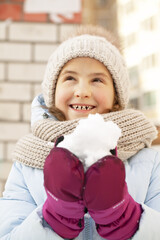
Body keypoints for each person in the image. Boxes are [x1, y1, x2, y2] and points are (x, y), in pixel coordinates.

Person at [0, 25, 160, 240]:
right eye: (70, 78)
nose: (82, 91)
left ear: (116, 96)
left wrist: (125, 219)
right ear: (53, 91)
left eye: (97, 80)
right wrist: (55, 216)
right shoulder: (26, 163)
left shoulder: (151, 162)